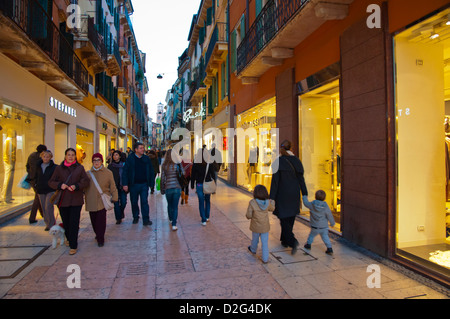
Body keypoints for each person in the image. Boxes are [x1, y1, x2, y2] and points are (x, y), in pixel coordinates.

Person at [48, 148, 90, 255]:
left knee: (74, 222)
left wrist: (76, 186)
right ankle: (69, 237)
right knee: (66, 222)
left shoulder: (80, 168)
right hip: (63, 200)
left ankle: (73, 245)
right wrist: (59, 185)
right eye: (68, 155)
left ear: (75, 156)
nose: (70, 157)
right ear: (65, 156)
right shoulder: (59, 168)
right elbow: (51, 182)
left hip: (76, 200)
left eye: (72, 155)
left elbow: (86, 181)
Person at [269, 140, 308, 255]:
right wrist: (304, 193)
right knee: (290, 217)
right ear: (291, 148)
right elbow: (301, 179)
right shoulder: (297, 161)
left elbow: (275, 182)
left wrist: (272, 197)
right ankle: (284, 239)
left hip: (282, 195)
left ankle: (292, 240)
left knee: (283, 219)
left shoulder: (278, 162)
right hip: (294, 194)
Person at [85, 153, 118, 247]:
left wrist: (115, 197)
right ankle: (97, 233)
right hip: (91, 200)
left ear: (102, 161)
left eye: (98, 160)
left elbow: (113, 186)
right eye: (94, 160)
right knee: (94, 220)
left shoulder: (108, 173)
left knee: (101, 220)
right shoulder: (88, 174)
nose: (96, 162)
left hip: (102, 200)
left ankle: (101, 238)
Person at [122, 142, 155, 226]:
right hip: (133, 184)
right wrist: (125, 184)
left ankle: (146, 219)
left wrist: (151, 183)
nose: (143, 149)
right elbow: (125, 172)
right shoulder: (130, 159)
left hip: (144, 184)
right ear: (136, 150)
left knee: (144, 201)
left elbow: (151, 171)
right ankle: (135, 217)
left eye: (143, 148)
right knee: (134, 202)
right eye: (140, 148)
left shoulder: (146, 159)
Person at [246, 185, 275, 264]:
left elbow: (248, 215)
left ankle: (253, 249)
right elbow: (272, 209)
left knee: (255, 239)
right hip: (265, 227)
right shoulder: (267, 202)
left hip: (255, 226)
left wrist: (250, 216)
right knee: (265, 243)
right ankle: (265, 259)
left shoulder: (252, 202)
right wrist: (272, 202)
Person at [302, 190, 335, 255]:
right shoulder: (325, 207)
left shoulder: (312, 204)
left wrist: (304, 196)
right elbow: (329, 215)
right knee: (325, 237)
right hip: (324, 227)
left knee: (311, 235)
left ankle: (308, 244)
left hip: (315, 226)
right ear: (324, 198)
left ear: (315, 197)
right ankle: (329, 248)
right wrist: (332, 223)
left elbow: (305, 203)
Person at [33, 150, 57, 230]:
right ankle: (47, 224)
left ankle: (51, 224)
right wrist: (35, 185)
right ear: (42, 157)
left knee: (48, 207)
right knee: (43, 207)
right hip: (40, 189)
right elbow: (34, 176)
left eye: (47, 157)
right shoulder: (38, 166)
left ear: (50, 157)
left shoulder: (54, 167)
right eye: (44, 156)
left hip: (50, 190)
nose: (46, 158)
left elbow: (56, 178)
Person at [190, 149, 216, 226]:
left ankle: (203, 219)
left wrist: (192, 184)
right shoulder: (209, 163)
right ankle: (207, 216)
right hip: (207, 184)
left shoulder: (196, 163)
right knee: (207, 200)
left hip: (199, 185)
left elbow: (193, 175)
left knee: (201, 202)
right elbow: (213, 175)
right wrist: (215, 184)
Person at [160, 149, 183, 231]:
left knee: (169, 205)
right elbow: (182, 174)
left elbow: (162, 178)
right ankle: (174, 224)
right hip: (177, 187)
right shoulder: (178, 164)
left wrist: (162, 189)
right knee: (175, 206)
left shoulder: (164, 165)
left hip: (168, 188)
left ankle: (170, 219)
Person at [26, 144, 47, 224]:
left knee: (38, 197)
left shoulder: (31, 155)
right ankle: (32, 218)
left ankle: (42, 214)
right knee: (37, 199)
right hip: (39, 180)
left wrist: (30, 173)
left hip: (32, 179)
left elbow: (27, 166)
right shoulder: (41, 157)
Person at [107, 150, 127, 224]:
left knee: (123, 202)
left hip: (122, 187)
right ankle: (118, 218)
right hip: (114, 187)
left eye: (116, 155)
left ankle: (121, 213)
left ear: (119, 156)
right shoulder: (110, 166)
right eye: (114, 155)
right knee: (116, 203)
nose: (115, 156)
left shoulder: (124, 165)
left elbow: (126, 175)